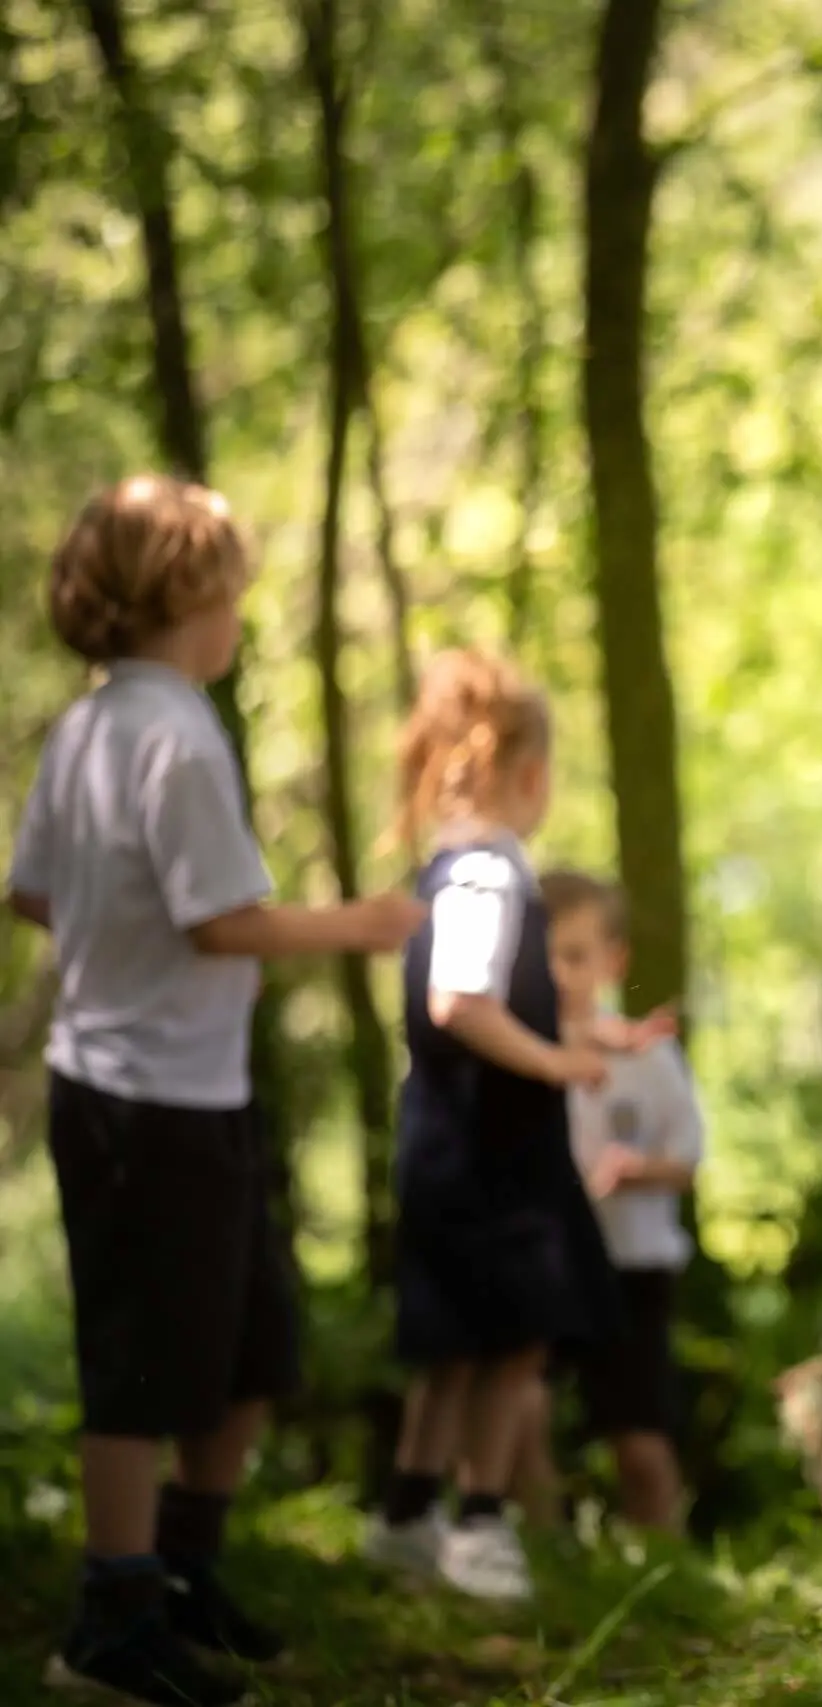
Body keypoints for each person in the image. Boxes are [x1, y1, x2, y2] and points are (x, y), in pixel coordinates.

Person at [7, 476, 421, 1706]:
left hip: (184, 1088)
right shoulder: (173, 734)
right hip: (141, 1101)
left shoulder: (90, 726)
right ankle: (110, 1620)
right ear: (185, 592)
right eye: (230, 581)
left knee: (244, 1345)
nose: (242, 605)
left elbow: (33, 891)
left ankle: (183, 1571)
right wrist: (369, 923)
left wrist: (104, 928)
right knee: (141, 1361)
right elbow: (221, 919)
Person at [359, 649, 665, 1602]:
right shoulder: (490, 872)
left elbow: (501, 999)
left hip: (461, 1143)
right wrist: (557, 1063)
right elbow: (459, 1001)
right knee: (514, 1339)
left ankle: (409, 1514)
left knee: (456, 1340)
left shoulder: (452, 867)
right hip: (490, 1152)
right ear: (530, 773)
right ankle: (479, 1520)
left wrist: (594, 1032)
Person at [528, 869, 702, 1534]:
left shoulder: (650, 1058)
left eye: (575, 955)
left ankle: (665, 1569)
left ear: (613, 959)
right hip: (546, 1264)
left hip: (633, 1265)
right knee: (524, 1411)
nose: (560, 973)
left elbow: (686, 1162)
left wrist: (634, 1169)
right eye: (546, 955)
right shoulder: (518, 1052)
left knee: (638, 1434)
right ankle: (538, 1557)